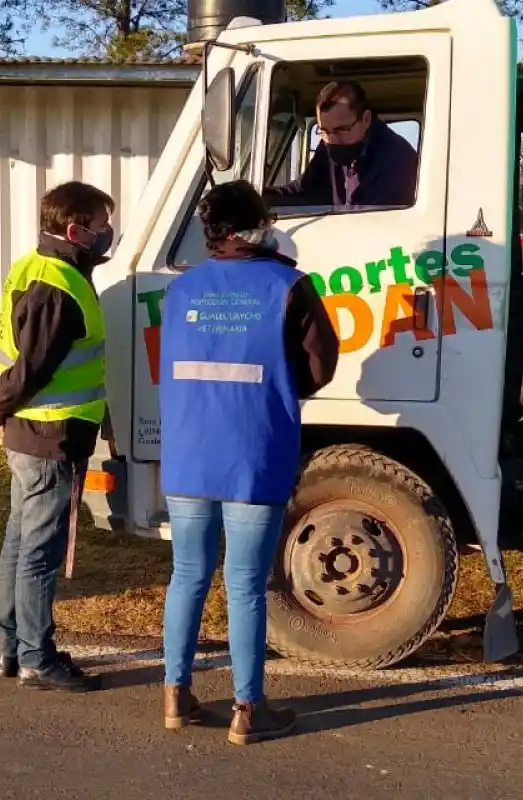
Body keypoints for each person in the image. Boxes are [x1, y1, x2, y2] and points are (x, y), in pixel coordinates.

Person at [157, 180, 340, 744]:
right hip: (253, 451)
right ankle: (247, 708)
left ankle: (176, 695)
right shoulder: (290, 286)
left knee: (187, 573)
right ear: (259, 225)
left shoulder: (181, 289)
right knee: (244, 584)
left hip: (188, 451)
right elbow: (319, 367)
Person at [0, 181, 116, 693]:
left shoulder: (35, 266)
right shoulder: (59, 286)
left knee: (18, 541)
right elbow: (30, 365)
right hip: (49, 436)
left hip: (31, 432)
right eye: (101, 226)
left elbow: (0, 343)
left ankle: (12, 650)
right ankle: (36, 657)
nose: (107, 235)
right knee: (38, 551)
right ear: (75, 230)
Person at [264, 80, 418, 211]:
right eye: (324, 131)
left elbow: (364, 223)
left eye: (341, 130)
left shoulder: (395, 161)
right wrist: (261, 199)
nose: (333, 141)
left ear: (366, 119)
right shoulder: (329, 144)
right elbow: (304, 190)